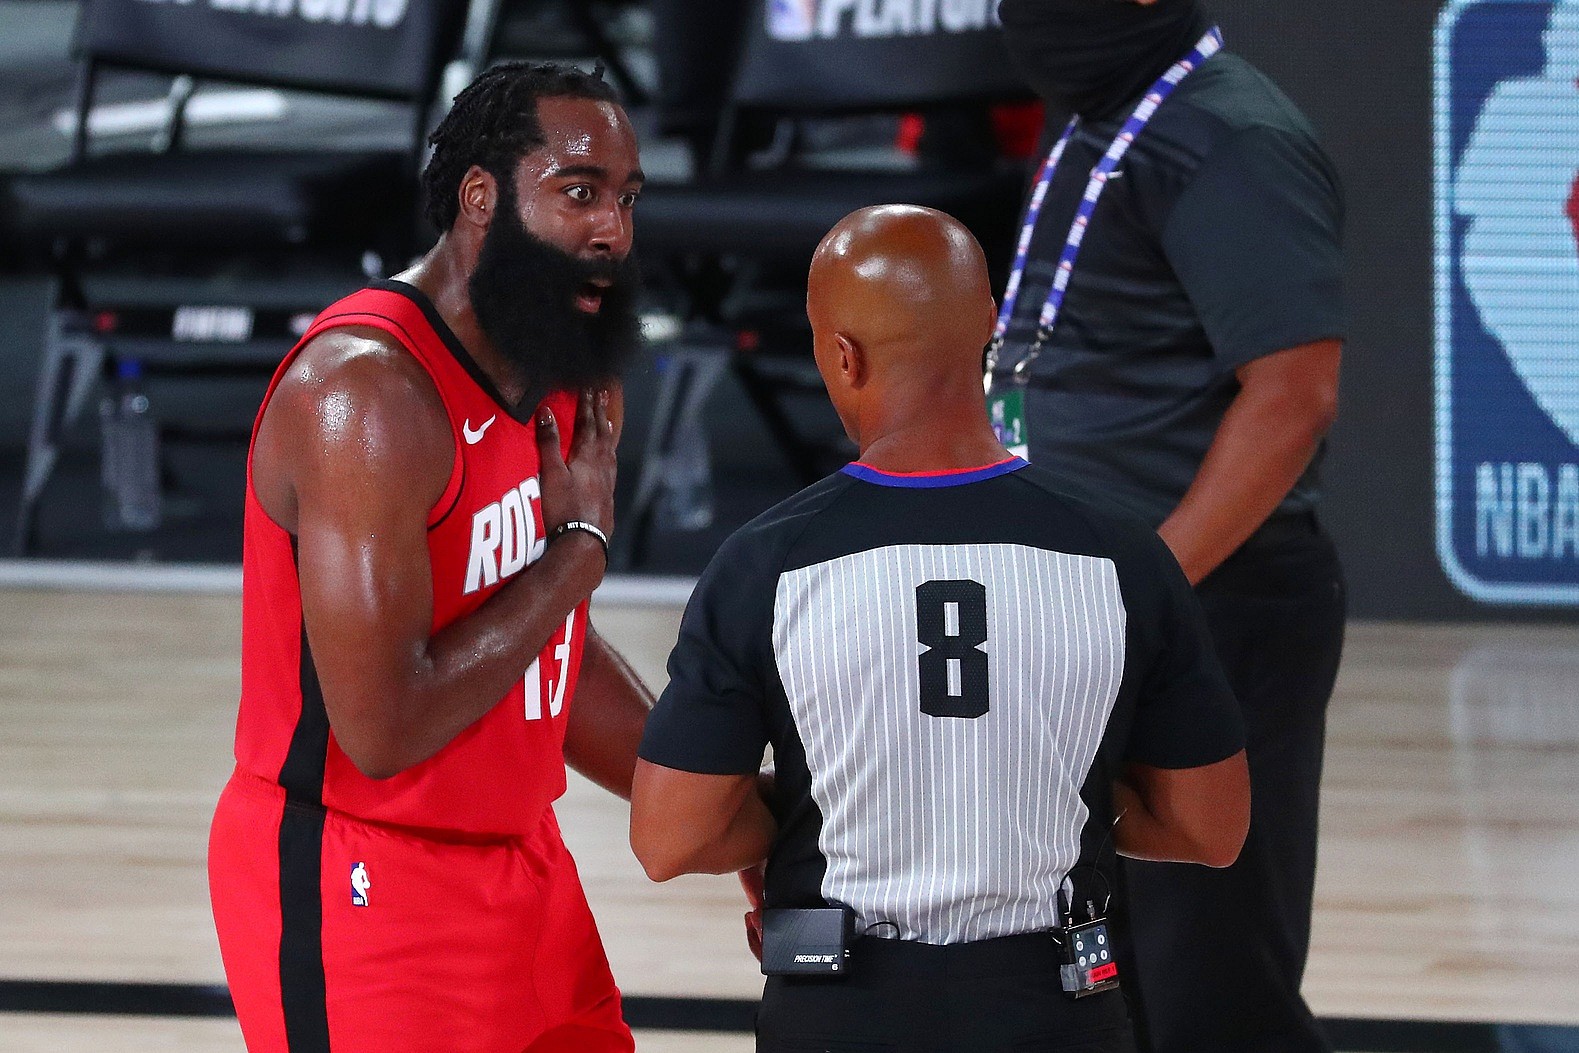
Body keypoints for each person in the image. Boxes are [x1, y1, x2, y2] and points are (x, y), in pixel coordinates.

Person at [629, 204, 1251, 1053]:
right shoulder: (1124, 558)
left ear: (841, 355)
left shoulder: (764, 563)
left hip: (837, 1008)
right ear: (988, 330)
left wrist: (820, 810)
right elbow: (1207, 827)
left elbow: (672, 836)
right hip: (1056, 1010)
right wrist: (1041, 799)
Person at [207, 63, 654, 1053]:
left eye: (625, 199)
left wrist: (721, 804)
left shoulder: (555, 372)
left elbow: (545, 652)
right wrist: (577, 551)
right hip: (362, 877)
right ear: (482, 200)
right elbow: (385, 724)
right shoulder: (364, 395)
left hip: (523, 867)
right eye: (578, 191)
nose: (611, 231)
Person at [991, 2, 1347, 1051]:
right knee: (1109, 975)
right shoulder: (1103, 120)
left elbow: (1292, 394)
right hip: (1097, 600)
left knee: (1211, 983)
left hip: (1207, 604)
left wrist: (1148, 581)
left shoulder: (1233, 139)